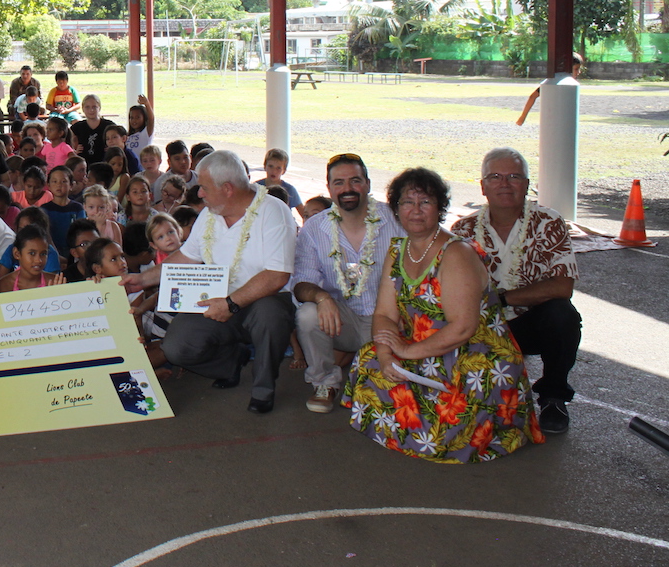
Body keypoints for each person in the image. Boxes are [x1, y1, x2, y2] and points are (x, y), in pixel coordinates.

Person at [345, 167, 543, 463]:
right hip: (421, 348)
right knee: (370, 358)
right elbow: (384, 313)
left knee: (446, 428)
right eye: (407, 202)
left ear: (440, 208)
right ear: (396, 210)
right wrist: (387, 356)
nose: (415, 210)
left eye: (425, 202)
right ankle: (407, 428)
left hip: (471, 355)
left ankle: (427, 433)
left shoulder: (456, 253)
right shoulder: (398, 250)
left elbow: (463, 328)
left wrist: (407, 352)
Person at [122, 150, 296, 414]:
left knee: (270, 315)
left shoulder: (273, 211)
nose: (199, 193)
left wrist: (231, 304)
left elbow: (277, 275)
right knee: (176, 347)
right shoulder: (210, 214)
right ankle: (229, 364)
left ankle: (263, 388)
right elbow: (186, 256)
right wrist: (141, 280)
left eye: (204, 187)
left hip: (265, 299)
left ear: (227, 188)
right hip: (216, 298)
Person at [450, 148, 580, 433]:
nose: (505, 184)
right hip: (481, 327)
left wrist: (503, 299)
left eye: (514, 177)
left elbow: (563, 286)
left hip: (530, 325)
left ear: (527, 184)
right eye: (495, 177)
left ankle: (554, 397)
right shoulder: (463, 230)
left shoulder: (549, 223)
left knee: (563, 315)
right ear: (483, 186)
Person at [292, 154, 404, 414]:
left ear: (368, 184)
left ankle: (372, 371)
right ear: (329, 188)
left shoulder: (395, 220)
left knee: (388, 400)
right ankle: (325, 382)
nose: (347, 189)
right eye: (339, 182)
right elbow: (301, 283)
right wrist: (322, 298)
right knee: (307, 313)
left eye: (355, 180)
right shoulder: (314, 228)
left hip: (390, 318)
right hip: (342, 320)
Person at [516, 53, 583, 126]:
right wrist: (523, 117)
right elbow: (533, 96)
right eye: (576, 69)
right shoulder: (553, 83)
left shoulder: (570, 84)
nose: (579, 72)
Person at [70, 94, 116, 165]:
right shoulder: (77, 127)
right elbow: (66, 142)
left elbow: (119, 140)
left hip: (104, 163)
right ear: (83, 109)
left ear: (99, 108)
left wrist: (112, 147)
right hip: (83, 164)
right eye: (87, 107)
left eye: (94, 107)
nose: (91, 110)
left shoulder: (108, 125)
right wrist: (74, 150)